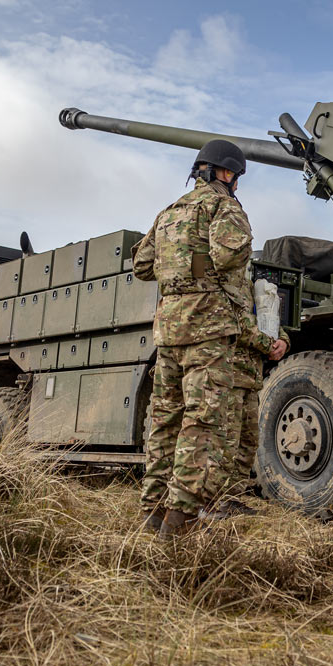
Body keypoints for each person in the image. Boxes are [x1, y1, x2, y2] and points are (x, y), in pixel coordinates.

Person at [131, 139, 253, 539]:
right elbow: (229, 256)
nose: (235, 183)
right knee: (203, 420)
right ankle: (179, 519)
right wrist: (203, 268)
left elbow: (142, 265)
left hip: (168, 329)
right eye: (234, 175)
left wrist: (184, 265)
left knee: (165, 419)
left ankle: (151, 510)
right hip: (208, 329)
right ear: (224, 172)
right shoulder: (223, 206)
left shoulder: (168, 213)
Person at [205, 283, 288, 517]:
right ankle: (210, 501)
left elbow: (269, 320)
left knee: (248, 442)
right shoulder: (224, 285)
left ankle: (231, 499)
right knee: (225, 443)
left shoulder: (255, 288)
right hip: (229, 376)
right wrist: (266, 343)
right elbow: (234, 325)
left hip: (252, 379)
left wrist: (282, 341)